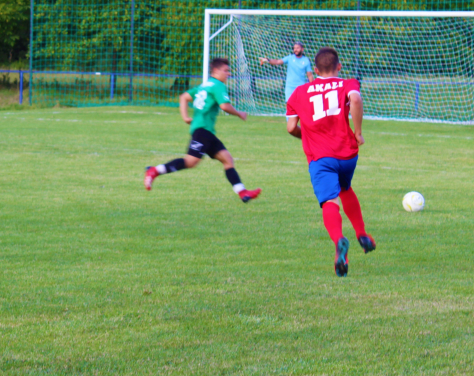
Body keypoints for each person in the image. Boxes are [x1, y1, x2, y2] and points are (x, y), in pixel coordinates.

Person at [285, 47, 375, 277]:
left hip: (321, 157)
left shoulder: (298, 93)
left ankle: (339, 242)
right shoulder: (348, 83)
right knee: (345, 188)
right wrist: (358, 131)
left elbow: (290, 128)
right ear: (339, 66)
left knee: (329, 201)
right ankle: (362, 233)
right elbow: (355, 99)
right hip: (347, 155)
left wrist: (307, 136)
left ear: (314, 70)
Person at [144, 57, 261, 203]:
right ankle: (154, 171)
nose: (228, 74)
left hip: (206, 132)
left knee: (227, 159)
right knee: (191, 161)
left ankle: (243, 192)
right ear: (216, 71)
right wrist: (239, 113)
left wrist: (186, 117)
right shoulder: (217, 85)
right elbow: (224, 106)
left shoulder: (204, 85)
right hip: (203, 130)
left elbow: (184, 97)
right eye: (226, 71)